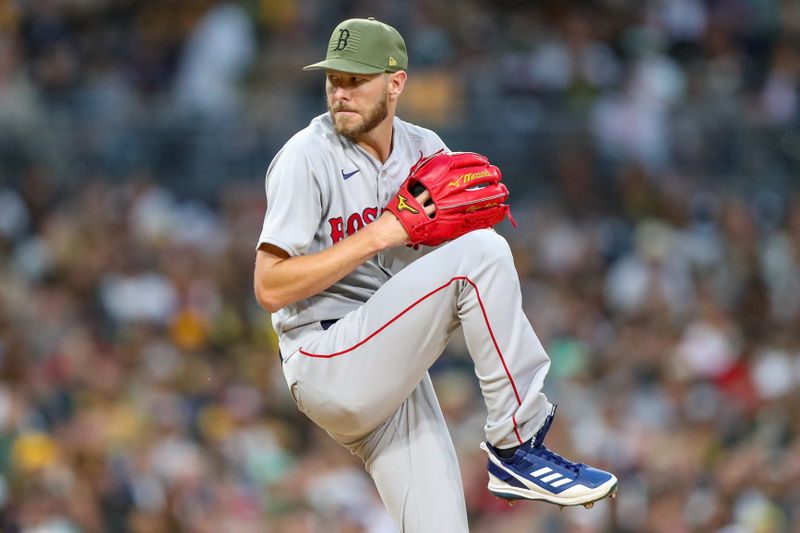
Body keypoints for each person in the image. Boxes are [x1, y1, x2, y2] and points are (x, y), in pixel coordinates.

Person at [254, 17, 617, 532]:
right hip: (324, 356)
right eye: (334, 78)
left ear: (396, 82)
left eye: (357, 79)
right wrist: (383, 232)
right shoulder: (306, 157)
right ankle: (516, 443)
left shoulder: (426, 152)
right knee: (481, 255)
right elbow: (269, 286)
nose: (341, 92)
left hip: (392, 370)